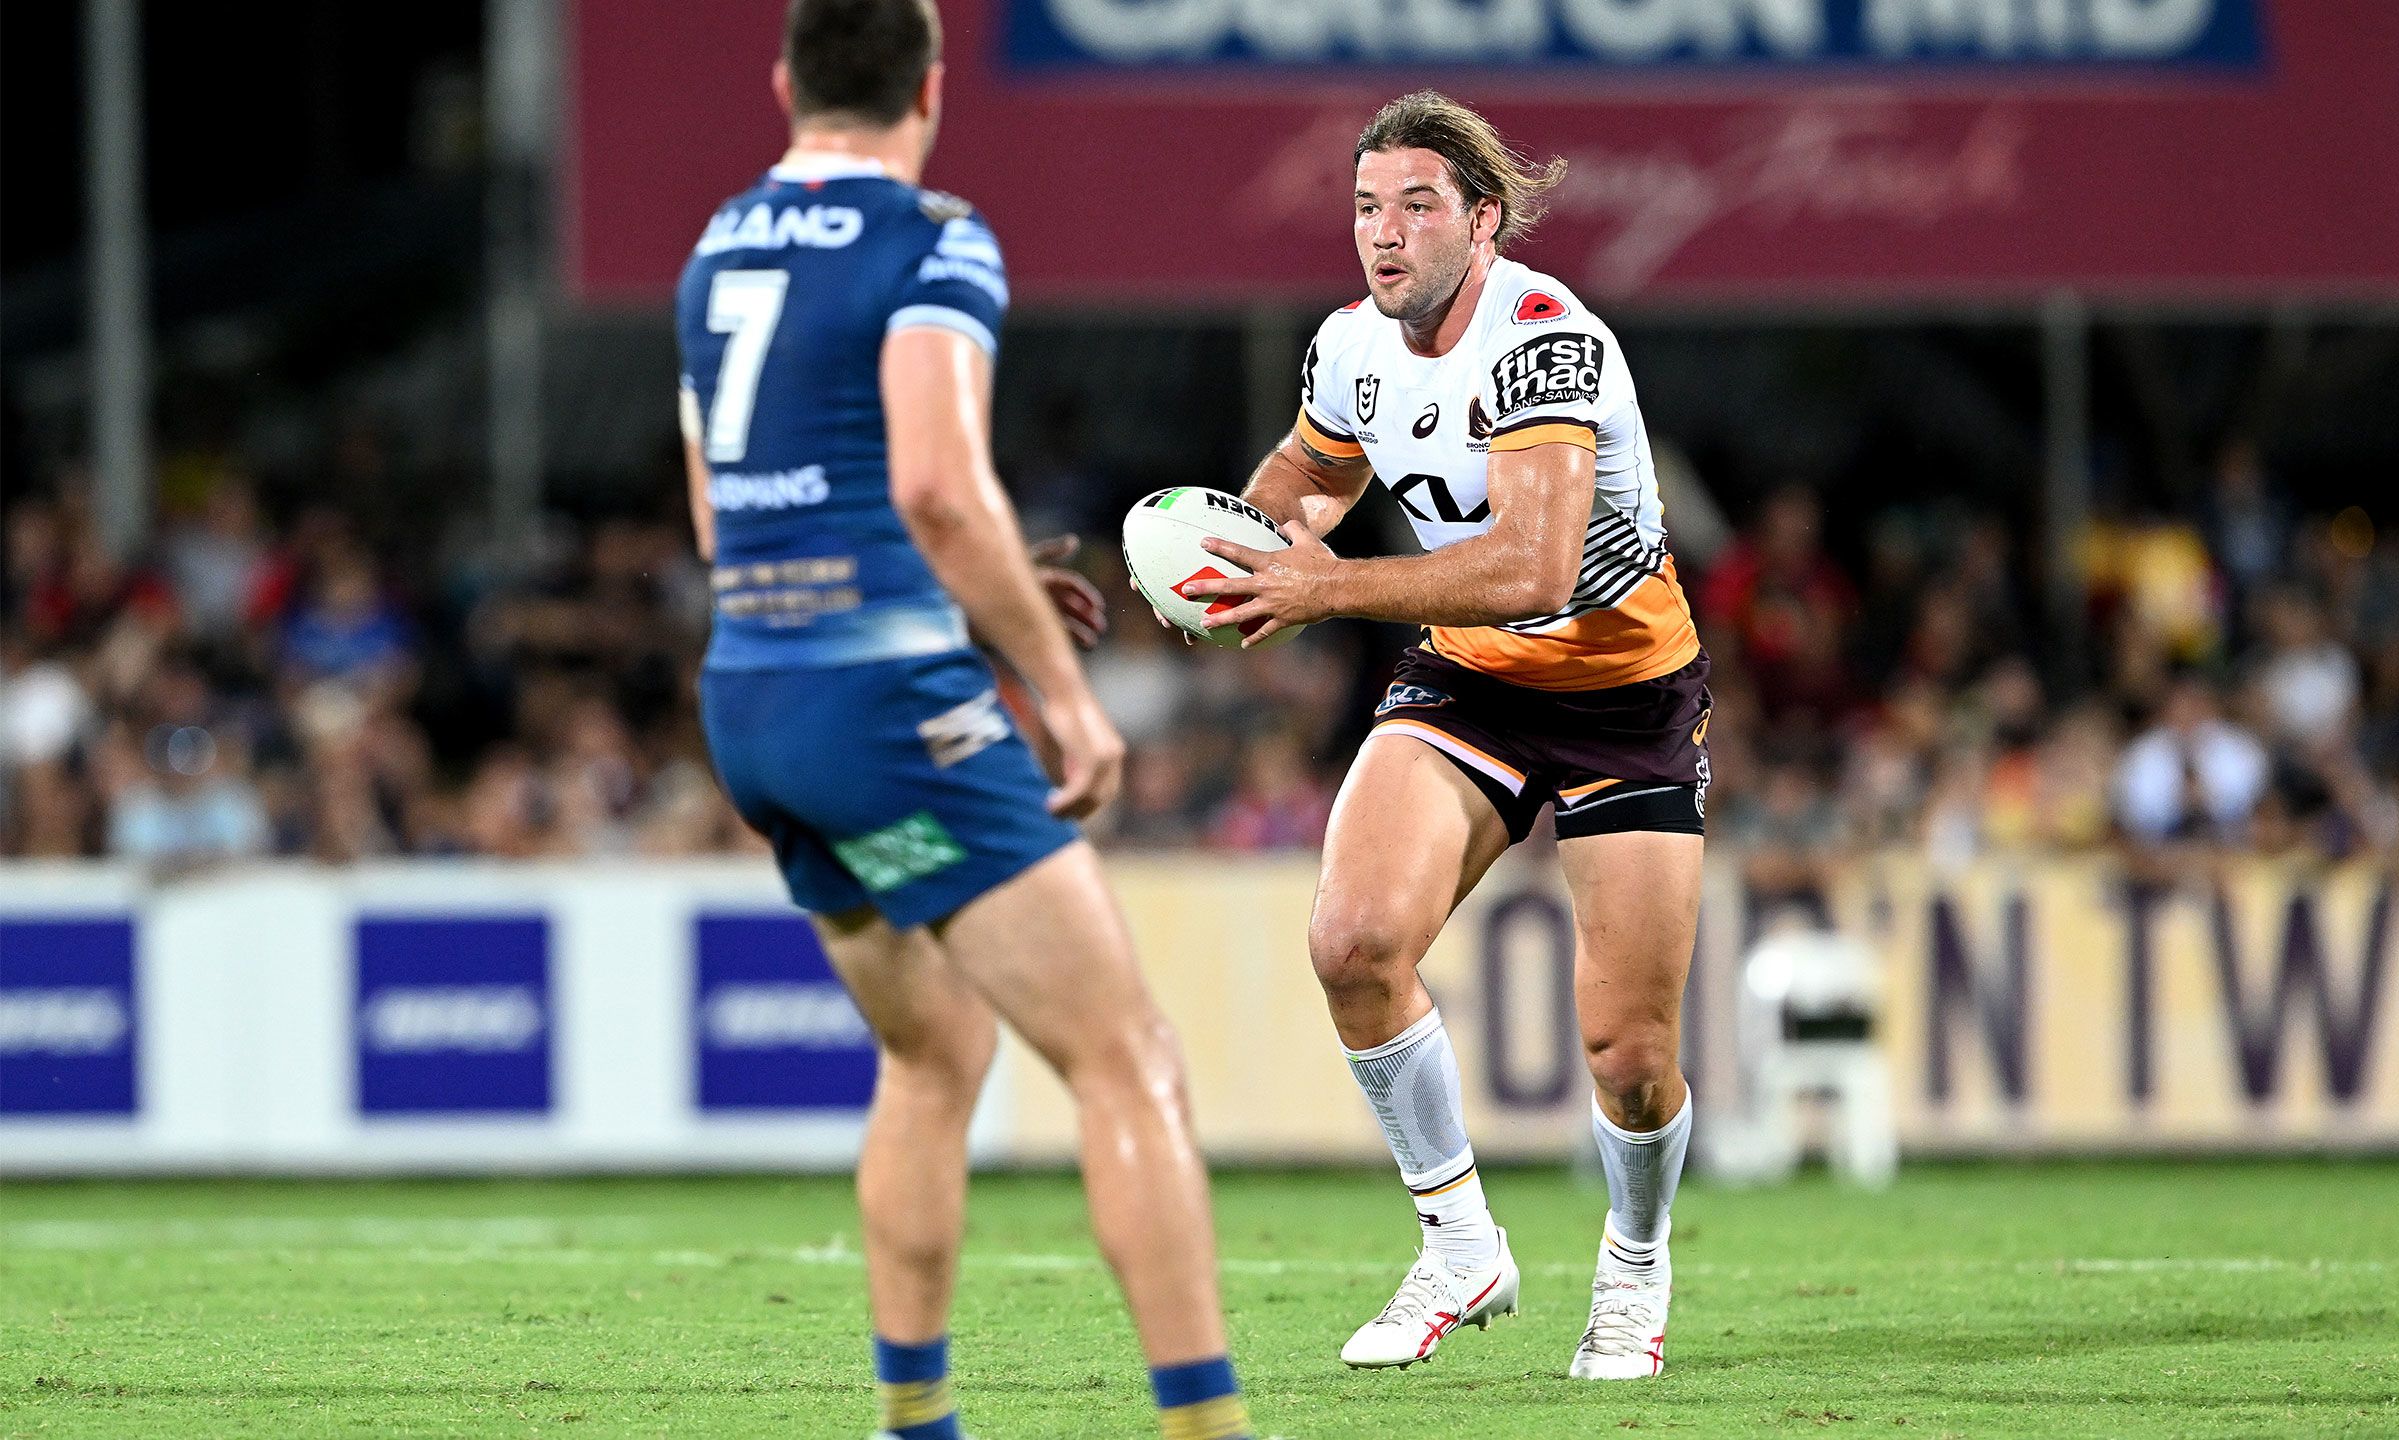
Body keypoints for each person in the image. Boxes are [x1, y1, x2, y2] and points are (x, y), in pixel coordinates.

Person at [673, 4, 1252, 1437]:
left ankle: (915, 1424)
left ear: (783, 84)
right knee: (1127, 1059)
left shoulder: (714, 247)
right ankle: (1208, 1427)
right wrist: (1054, 689)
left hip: (754, 693)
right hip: (884, 707)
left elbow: (717, 515)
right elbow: (936, 484)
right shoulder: (935, 238)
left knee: (935, 1050)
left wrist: (944, 593)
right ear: (931, 89)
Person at [1180, 91, 1707, 1380]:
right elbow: (1311, 475)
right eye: (1367, 206)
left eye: (1418, 204)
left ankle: (1634, 1267)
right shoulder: (1351, 346)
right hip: (1470, 683)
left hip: (1622, 692)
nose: (1385, 232)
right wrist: (1229, 546)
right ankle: (1459, 1246)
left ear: (1482, 221)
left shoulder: (1542, 337)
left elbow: (1530, 565)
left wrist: (1326, 588)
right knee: (1353, 943)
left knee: (1628, 1058)